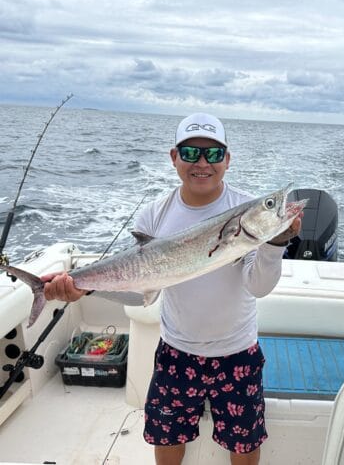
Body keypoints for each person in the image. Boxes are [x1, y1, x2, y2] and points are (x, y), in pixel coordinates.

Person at [42, 113, 302, 465]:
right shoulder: (155, 215)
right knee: (166, 437)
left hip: (237, 350)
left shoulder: (244, 207)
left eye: (212, 154)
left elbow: (257, 287)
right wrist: (82, 288)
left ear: (227, 159)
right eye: (191, 152)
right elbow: (141, 292)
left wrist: (274, 243)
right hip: (177, 351)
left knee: (243, 443)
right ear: (174, 157)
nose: (202, 163)